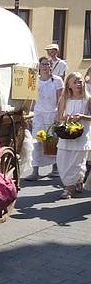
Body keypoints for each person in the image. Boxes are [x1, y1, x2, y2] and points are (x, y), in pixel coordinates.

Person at [55, 71, 91, 199]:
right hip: (67, 134)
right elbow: (59, 116)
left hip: (82, 135)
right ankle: (79, 180)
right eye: (75, 82)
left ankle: (68, 189)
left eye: (80, 81)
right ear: (69, 85)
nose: (78, 84)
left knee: (77, 162)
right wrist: (67, 118)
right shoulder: (65, 99)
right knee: (62, 161)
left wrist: (82, 117)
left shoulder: (88, 99)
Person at [27, 56, 63, 180]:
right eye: (43, 64)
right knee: (36, 142)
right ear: (39, 66)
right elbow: (31, 99)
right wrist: (29, 113)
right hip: (38, 115)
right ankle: (35, 171)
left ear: (51, 66)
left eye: (48, 64)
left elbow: (60, 100)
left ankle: (55, 168)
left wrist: (59, 115)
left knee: (52, 142)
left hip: (52, 114)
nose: (45, 66)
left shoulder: (57, 80)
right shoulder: (34, 80)